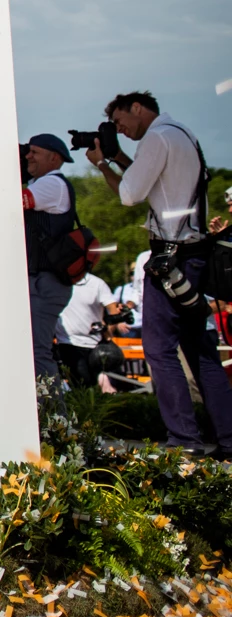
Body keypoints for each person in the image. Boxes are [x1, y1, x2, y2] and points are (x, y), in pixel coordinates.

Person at [85, 91, 232, 453]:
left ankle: (184, 439)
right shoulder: (182, 133)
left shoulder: (156, 137)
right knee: (200, 350)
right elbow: (160, 185)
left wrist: (103, 164)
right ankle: (228, 436)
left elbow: (132, 194)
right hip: (194, 254)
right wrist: (118, 156)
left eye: (121, 121)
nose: (121, 129)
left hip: (170, 257)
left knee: (158, 349)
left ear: (138, 108)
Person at [21, 133, 80, 381]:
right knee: (32, 351)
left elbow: (13, 202)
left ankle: (55, 416)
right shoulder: (44, 183)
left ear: (54, 158)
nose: (27, 156)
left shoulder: (52, 184)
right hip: (42, 281)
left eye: (34, 152)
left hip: (46, 282)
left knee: (36, 352)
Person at [55, 270, 114, 388]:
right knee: (82, 383)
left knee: (95, 385)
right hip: (68, 343)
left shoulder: (97, 283)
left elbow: (113, 309)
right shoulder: (56, 282)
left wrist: (108, 333)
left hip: (95, 345)